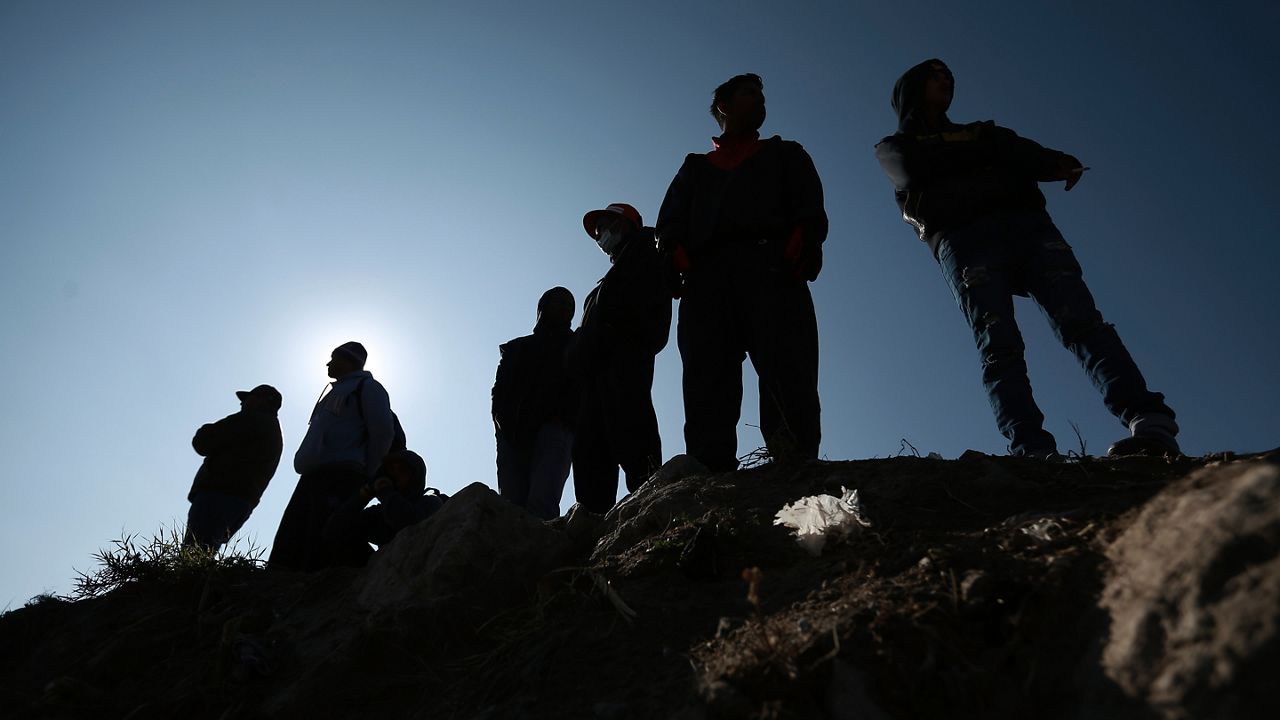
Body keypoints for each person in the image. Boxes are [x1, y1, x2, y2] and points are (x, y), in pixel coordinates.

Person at [874, 59, 1180, 458]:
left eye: (950, 75)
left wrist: (1032, 161)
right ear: (912, 87)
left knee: (1083, 323)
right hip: (965, 243)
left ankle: (1150, 425)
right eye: (935, 75)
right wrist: (995, 161)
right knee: (999, 345)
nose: (947, 80)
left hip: (1029, 228)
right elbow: (917, 170)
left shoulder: (984, 132)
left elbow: (1031, 155)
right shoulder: (895, 147)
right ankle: (1031, 451)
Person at [655, 73, 828, 472]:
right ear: (723, 106)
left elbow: (809, 201)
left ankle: (793, 462)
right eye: (751, 92)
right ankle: (710, 470)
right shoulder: (695, 167)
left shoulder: (786, 153)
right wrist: (672, 252)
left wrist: (808, 235)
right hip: (707, 278)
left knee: (788, 369)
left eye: (763, 94)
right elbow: (671, 220)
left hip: (772, 268)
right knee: (706, 377)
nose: (762, 100)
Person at [569, 203, 671, 513]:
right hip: (595, 374)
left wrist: (617, 333)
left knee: (632, 427)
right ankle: (593, 518)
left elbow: (649, 308)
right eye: (597, 231)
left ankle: (652, 504)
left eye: (606, 226)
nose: (601, 235)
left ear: (627, 223)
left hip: (625, 358)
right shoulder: (606, 282)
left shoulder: (648, 251)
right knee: (591, 446)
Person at [270, 341, 397, 570]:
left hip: (343, 475)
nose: (328, 363)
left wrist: (369, 471)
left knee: (324, 537)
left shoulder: (368, 388)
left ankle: (317, 588)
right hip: (312, 475)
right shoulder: (333, 393)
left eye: (334, 358)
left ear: (348, 360)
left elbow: (383, 431)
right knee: (293, 536)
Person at [492, 287, 577, 519]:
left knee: (542, 504)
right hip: (512, 433)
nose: (566, 307)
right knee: (510, 509)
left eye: (570, 304)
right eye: (560, 301)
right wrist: (501, 425)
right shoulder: (516, 348)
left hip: (555, 430)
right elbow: (498, 391)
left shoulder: (576, 344)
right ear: (542, 307)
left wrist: (567, 419)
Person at [183, 384, 283, 549]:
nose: (242, 404)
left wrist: (205, 430)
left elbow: (203, 442)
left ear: (261, 401)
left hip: (219, 495)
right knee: (205, 549)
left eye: (248, 398)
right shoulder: (272, 429)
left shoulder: (252, 420)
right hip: (240, 501)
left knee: (195, 551)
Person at [323, 449, 444, 566]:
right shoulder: (380, 512)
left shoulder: (431, 502)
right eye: (391, 470)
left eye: (402, 471)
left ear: (415, 477)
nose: (395, 475)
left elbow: (407, 520)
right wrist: (365, 493)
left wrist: (386, 492)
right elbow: (336, 528)